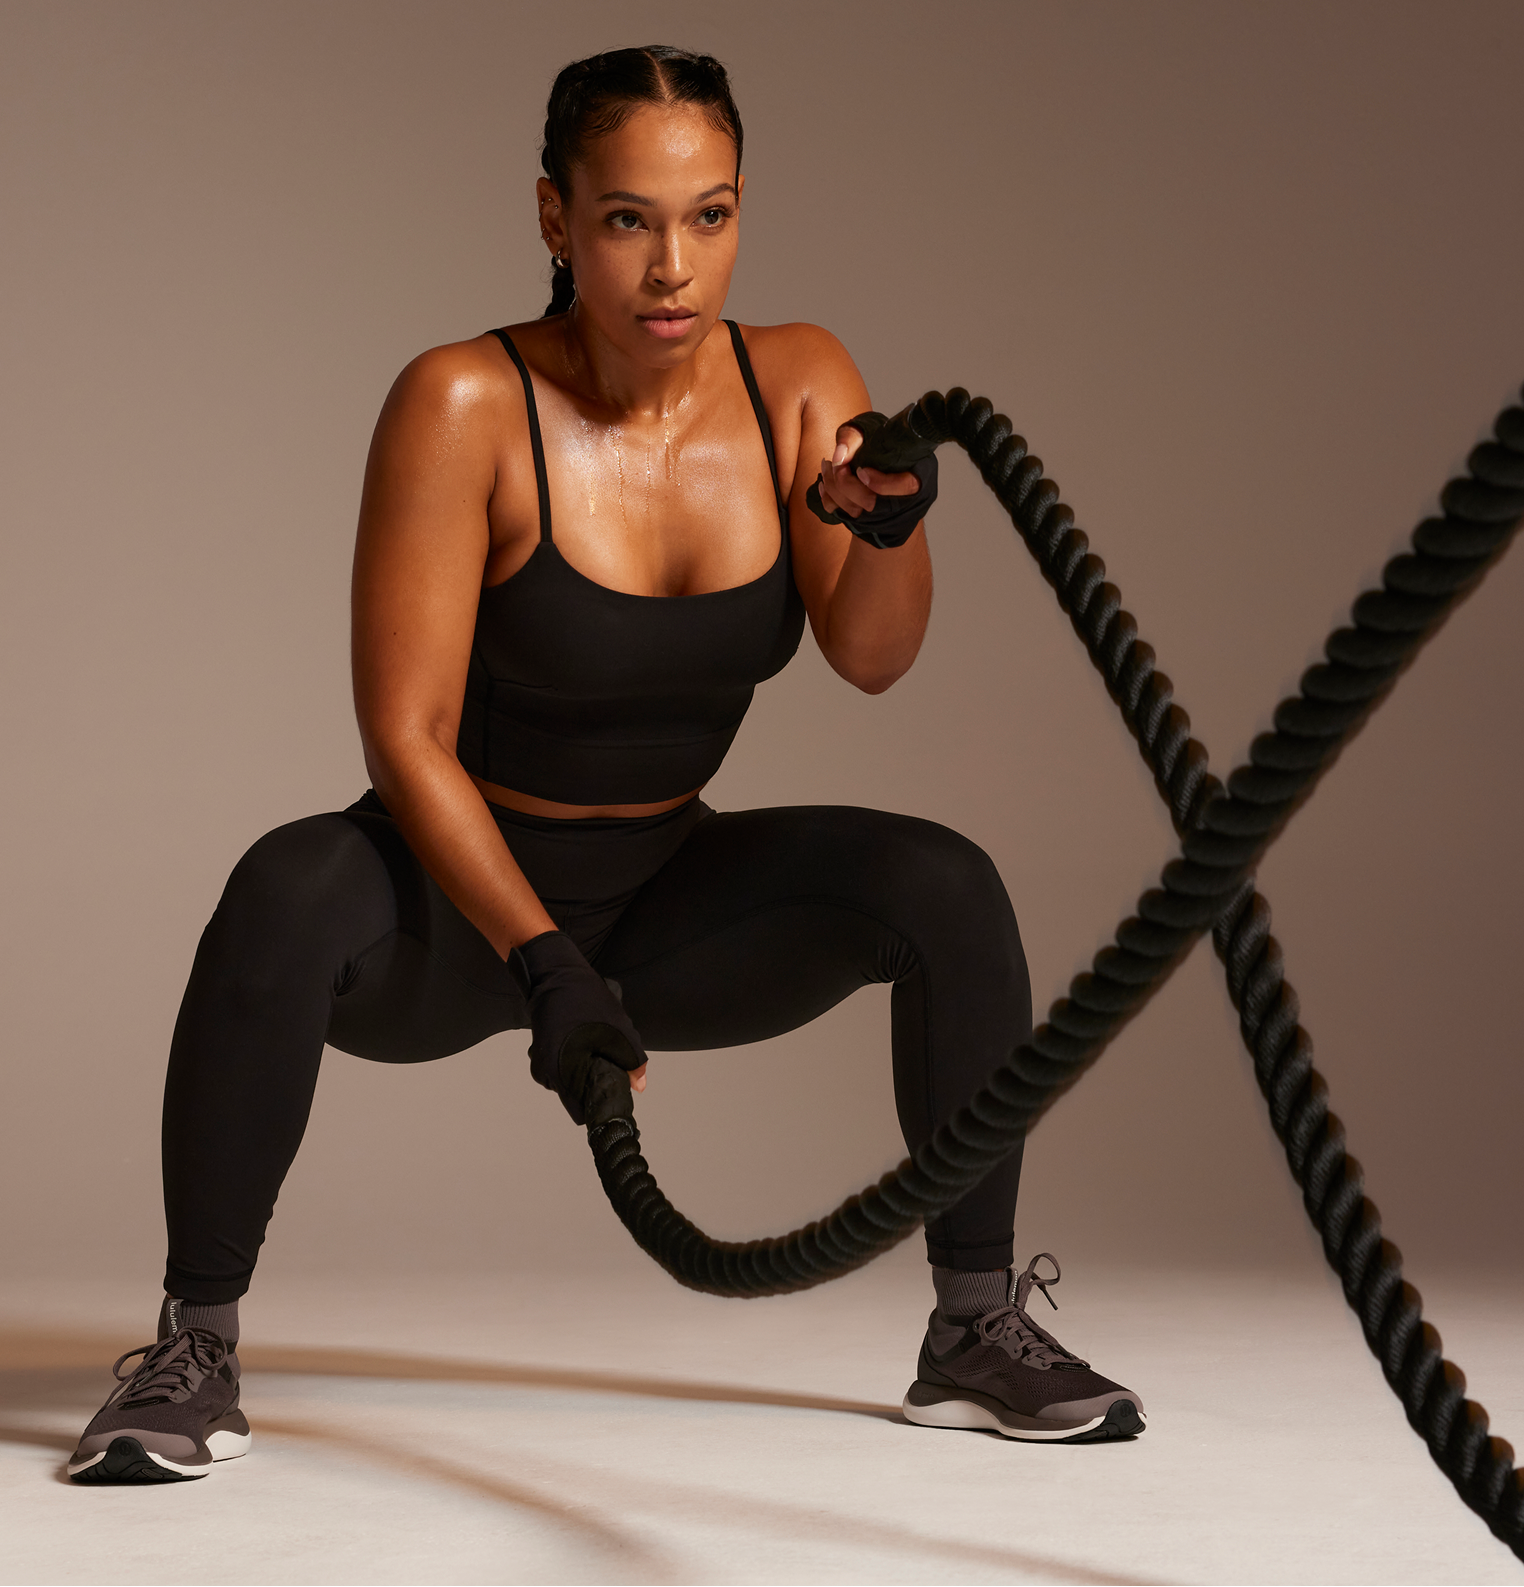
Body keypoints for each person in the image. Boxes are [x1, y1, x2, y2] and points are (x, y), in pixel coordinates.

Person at [68, 44, 1144, 1486]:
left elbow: (875, 657)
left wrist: (887, 532)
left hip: (663, 896)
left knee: (946, 886)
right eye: (630, 217)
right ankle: (191, 1348)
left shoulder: (803, 379)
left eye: (711, 215)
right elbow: (403, 737)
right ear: (554, 217)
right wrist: (539, 963)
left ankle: (972, 1324)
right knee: (279, 890)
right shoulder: (463, 402)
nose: (671, 266)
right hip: (454, 905)